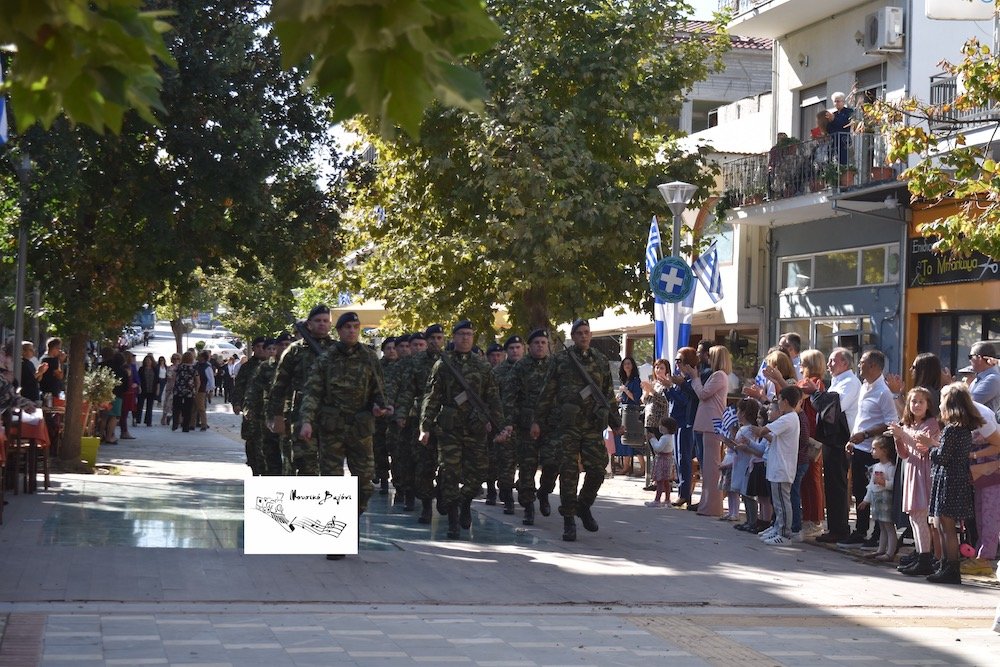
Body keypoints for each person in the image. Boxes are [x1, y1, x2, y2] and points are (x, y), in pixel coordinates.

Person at [299, 312, 392, 538]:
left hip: (361, 429)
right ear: (339, 331)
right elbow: (313, 392)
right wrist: (306, 421)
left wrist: (380, 407)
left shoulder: (369, 357)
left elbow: (379, 391)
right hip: (333, 429)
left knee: (365, 483)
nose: (352, 331)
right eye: (347, 327)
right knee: (332, 484)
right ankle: (336, 535)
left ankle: (351, 520)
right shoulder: (326, 359)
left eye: (356, 327)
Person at [532, 319, 622, 542]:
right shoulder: (561, 360)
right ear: (573, 336)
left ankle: (583, 505)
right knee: (569, 473)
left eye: (587, 332)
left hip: (592, 425)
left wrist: (616, 422)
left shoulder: (600, 360)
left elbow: (607, 394)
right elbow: (546, 393)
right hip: (568, 426)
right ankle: (569, 520)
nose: (584, 336)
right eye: (579, 333)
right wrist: (537, 421)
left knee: (598, 470)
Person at [420, 320, 509, 539]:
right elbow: (432, 397)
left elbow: (493, 399)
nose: (466, 338)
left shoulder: (483, 366)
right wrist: (425, 426)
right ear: (454, 337)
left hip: (475, 428)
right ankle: (452, 518)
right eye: (461, 334)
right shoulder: (443, 364)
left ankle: (464, 501)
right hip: (450, 429)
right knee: (450, 473)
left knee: (478, 474)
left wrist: (500, 426)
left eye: (469, 334)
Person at [266, 305, 336, 475]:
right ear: (309, 324)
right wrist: (276, 416)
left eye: (326, 321)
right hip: (300, 415)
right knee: (305, 464)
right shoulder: (294, 351)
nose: (322, 324)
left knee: (332, 467)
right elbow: (279, 385)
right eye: (318, 321)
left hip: (333, 416)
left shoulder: (338, 350)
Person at [839, 350, 899, 549]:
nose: (859, 366)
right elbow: (861, 416)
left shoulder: (884, 391)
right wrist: (853, 438)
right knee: (859, 490)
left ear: (873, 366)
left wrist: (865, 434)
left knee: (877, 492)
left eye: (862, 362)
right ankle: (861, 529)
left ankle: (878, 534)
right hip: (859, 447)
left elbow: (891, 422)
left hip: (874, 449)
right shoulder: (864, 386)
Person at [926, 383, 984, 584]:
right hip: (957, 478)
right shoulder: (965, 429)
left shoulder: (952, 429)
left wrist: (929, 449)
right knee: (945, 525)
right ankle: (946, 565)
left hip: (948, 479)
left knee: (947, 527)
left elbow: (942, 457)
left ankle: (950, 568)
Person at [502, 328, 556, 526]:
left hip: (551, 425)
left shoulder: (554, 365)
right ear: (529, 347)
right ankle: (528, 506)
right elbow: (509, 398)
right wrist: (509, 423)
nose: (540, 346)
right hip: (525, 427)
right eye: (536, 343)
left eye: (543, 342)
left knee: (552, 463)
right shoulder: (520, 368)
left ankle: (544, 492)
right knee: (527, 468)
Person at [396, 326, 446, 521]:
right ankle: (426, 505)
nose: (435, 341)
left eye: (438, 337)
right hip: (420, 420)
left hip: (447, 422)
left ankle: (443, 492)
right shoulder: (415, 362)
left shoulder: (450, 361)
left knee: (447, 464)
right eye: (431, 338)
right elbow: (407, 390)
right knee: (423, 464)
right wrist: (402, 414)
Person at [889, 387, 940, 576]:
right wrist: (898, 438)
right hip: (911, 470)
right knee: (914, 518)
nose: (916, 405)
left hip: (923, 472)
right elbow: (904, 454)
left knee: (920, 517)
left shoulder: (931, 424)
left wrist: (902, 434)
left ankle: (925, 557)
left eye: (921, 401)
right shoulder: (909, 425)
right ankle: (920, 554)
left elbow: (921, 449)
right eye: (913, 401)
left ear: (928, 405)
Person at [681, 345, 732, 517]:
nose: (707, 359)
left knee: (711, 467)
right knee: (707, 467)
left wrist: (694, 378)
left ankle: (712, 506)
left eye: (710, 356)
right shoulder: (719, 375)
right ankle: (707, 503)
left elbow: (703, 394)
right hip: (708, 423)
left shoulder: (719, 375)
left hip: (712, 423)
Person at [753, 385, 804, 545]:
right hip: (778, 465)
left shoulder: (787, 418)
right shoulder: (788, 418)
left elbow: (763, 431)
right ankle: (777, 527)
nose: (778, 403)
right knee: (778, 502)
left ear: (786, 401)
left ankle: (785, 533)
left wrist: (750, 428)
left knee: (782, 502)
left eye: (780, 400)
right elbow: (773, 437)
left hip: (782, 467)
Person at [492, 334, 525, 515]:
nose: (514, 351)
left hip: (527, 424)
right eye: (511, 348)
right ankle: (507, 496)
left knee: (528, 463)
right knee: (506, 463)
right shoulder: (497, 373)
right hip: (505, 424)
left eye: (517, 347)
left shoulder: (530, 368)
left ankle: (525, 492)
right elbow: (492, 399)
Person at [666, 347, 699, 508]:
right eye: (676, 361)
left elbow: (685, 401)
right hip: (677, 421)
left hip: (686, 422)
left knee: (684, 458)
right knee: (678, 459)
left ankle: (684, 494)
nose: (677, 364)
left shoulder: (690, 380)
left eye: (680, 361)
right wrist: (668, 387)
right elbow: (673, 400)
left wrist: (672, 387)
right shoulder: (681, 379)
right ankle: (682, 493)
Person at [858, 435, 898, 562]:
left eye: (875, 449)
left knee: (889, 526)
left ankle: (890, 552)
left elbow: (894, 484)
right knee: (881, 526)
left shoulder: (891, 467)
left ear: (884, 451)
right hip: (877, 498)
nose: (872, 451)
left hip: (886, 499)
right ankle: (881, 549)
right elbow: (871, 485)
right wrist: (866, 499)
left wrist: (884, 483)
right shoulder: (875, 467)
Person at [233, 337, 268, 472]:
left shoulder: (274, 365)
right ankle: (254, 466)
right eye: (258, 346)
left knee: (266, 442)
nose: (261, 349)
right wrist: (237, 403)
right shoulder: (247, 367)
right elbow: (239, 387)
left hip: (267, 411)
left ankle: (264, 469)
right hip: (251, 410)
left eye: (263, 346)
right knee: (251, 439)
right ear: (253, 348)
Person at [731, 398, 763, 532]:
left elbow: (751, 448)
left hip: (746, 464)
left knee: (748, 494)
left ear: (743, 413)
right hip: (741, 462)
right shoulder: (745, 429)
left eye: (738, 410)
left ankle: (752, 521)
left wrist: (741, 447)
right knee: (744, 494)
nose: (737, 413)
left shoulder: (747, 430)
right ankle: (749, 520)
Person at [637, 359, 670, 482]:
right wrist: (646, 392)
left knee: (660, 452)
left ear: (666, 370)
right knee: (652, 452)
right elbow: (646, 402)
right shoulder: (654, 383)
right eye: (657, 368)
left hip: (660, 422)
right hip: (649, 420)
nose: (658, 370)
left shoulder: (666, 384)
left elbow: (664, 402)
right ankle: (655, 479)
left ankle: (662, 480)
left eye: (661, 368)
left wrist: (651, 391)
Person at [616, 356, 643, 477]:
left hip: (632, 412)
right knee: (624, 439)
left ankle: (642, 467)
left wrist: (626, 391)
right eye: (624, 364)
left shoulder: (636, 380)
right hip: (624, 411)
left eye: (629, 363)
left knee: (633, 440)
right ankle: (626, 466)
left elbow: (636, 398)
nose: (627, 366)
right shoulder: (624, 380)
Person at [645, 416, 678, 507]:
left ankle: (657, 500)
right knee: (666, 481)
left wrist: (652, 439)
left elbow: (658, 448)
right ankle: (667, 499)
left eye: (662, 425)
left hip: (662, 460)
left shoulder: (664, 438)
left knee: (660, 481)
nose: (660, 427)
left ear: (667, 428)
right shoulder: (671, 437)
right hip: (668, 459)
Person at [968, 341, 999, 413]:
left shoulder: (992, 379)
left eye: (970, 357)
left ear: (979, 358)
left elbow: (968, 405)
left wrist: (950, 385)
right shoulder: (981, 377)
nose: (969, 361)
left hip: (982, 423)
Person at [172, 351, 199, 433]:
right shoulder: (193, 369)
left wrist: (175, 386)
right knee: (188, 409)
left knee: (176, 408)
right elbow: (197, 380)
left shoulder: (179, 367)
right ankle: (185, 426)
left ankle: (175, 424)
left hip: (178, 390)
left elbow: (174, 377)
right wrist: (196, 390)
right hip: (189, 391)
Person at [827, 91, 854, 165]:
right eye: (834, 101)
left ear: (843, 102)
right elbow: (829, 129)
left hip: (844, 141)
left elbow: (844, 123)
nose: (836, 103)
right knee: (831, 161)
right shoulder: (834, 114)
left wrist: (833, 119)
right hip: (834, 141)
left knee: (844, 162)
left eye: (838, 101)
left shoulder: (848, 112)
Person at [191, 350, 213, 431]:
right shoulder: (195, 365)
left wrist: (210, 390)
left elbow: (211, 379)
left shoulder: (207, 367)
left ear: (203, 357)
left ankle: (204, 424)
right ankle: (192, 424)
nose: (198, 357)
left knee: (201, 407)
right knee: (193, 407)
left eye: (199, 356)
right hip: (194, 389)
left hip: (202, 389)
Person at [137, 354, 159, 427]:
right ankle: (138, 420)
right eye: (146, 361)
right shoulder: (141, 369)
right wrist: (139, 387)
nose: (148, 362)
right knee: (140, 405)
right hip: (143, 389)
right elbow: (138, 379)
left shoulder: (155, 369)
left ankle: (148, 421)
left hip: (152, 389)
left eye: (149, 361)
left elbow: (157, 381)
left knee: (149, 407)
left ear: (152, 361)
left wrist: (157, 390)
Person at [160, 354, 178, 426]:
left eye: (177, 358)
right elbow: (169, 376)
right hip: (170, 387)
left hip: (178, 388)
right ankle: (164, 417)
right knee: (167, 403)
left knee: (176, 404)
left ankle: (174, 419)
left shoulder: (180, 367)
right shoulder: (170, 368)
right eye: (174, 358)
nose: (176, 360)